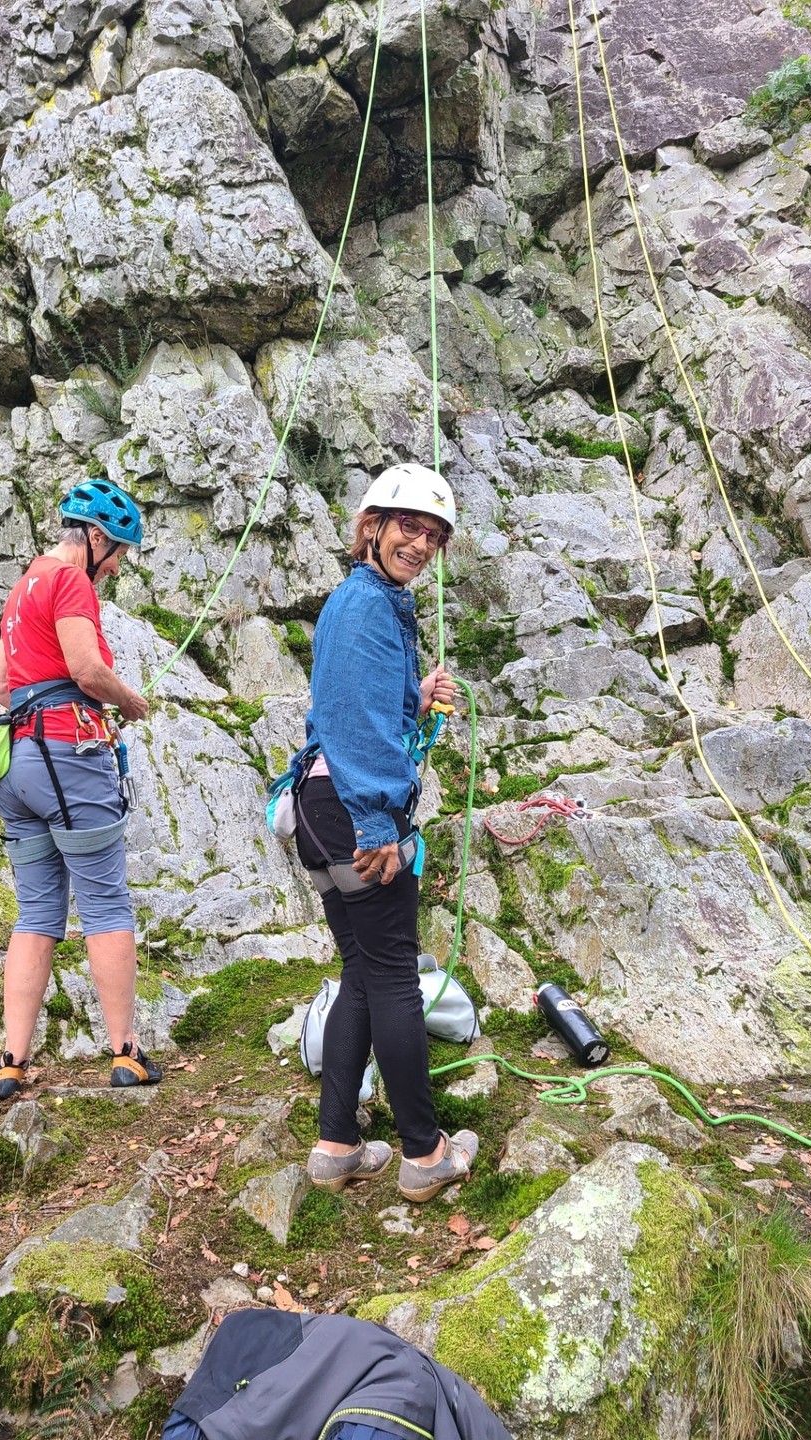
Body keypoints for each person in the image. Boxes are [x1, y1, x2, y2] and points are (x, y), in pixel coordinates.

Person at [294, 463, 479, 1202]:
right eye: (410, 527)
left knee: (365, 979)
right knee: (396, 978)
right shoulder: (366, 605)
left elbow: (372, 710)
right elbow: (347, 720)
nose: (422, 544)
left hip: (323, 808)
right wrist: (378, 822)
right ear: (373, 526)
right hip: (354, 813)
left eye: (434, 536)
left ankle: (338, 1144)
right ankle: (425, 1153)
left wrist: (420, 697)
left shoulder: (374, 603)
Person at [0, 478, 161, 1098]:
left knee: (36, 912)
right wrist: (130, 701)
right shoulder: (70, 581)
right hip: (68, 755)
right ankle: (125, 1054)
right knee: (107, 904)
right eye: (115, 553)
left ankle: (11, 1061)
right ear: (93, 538)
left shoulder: (23, 585)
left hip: (15, 768)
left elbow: (0, 688)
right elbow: (86, 669)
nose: (114, 568)